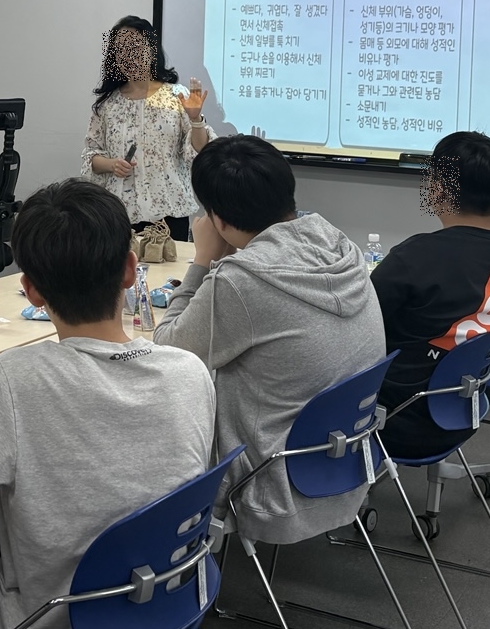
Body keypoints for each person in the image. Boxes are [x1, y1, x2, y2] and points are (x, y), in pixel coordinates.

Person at [0, 180, 215, 629]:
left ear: (31, 291)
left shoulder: (18, 380)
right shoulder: (190, 371)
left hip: (51, 625)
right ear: (129, 270)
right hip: (168, 604)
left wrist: (8, 484)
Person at [154, 135, 385, 542]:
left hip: (269, 487)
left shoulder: (241, 282)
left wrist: (203, 260)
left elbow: (168, 351)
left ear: (217, 219)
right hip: (346, 458)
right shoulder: (339, 245)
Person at [370, 131, 490, 460]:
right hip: (463, 414)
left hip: (393, 421)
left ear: (439, 190)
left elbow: (360, 323)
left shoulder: (413, 258)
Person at [82, 15, 214, 243]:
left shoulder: (176, 95)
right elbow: (90, 156)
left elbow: (200, 152)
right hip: (120, 213)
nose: (128, 55)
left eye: (135, 47)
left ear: (151, 50)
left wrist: (196, 119)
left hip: (169, 213)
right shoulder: (107, 105)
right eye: (121, 50)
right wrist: (112, 164)